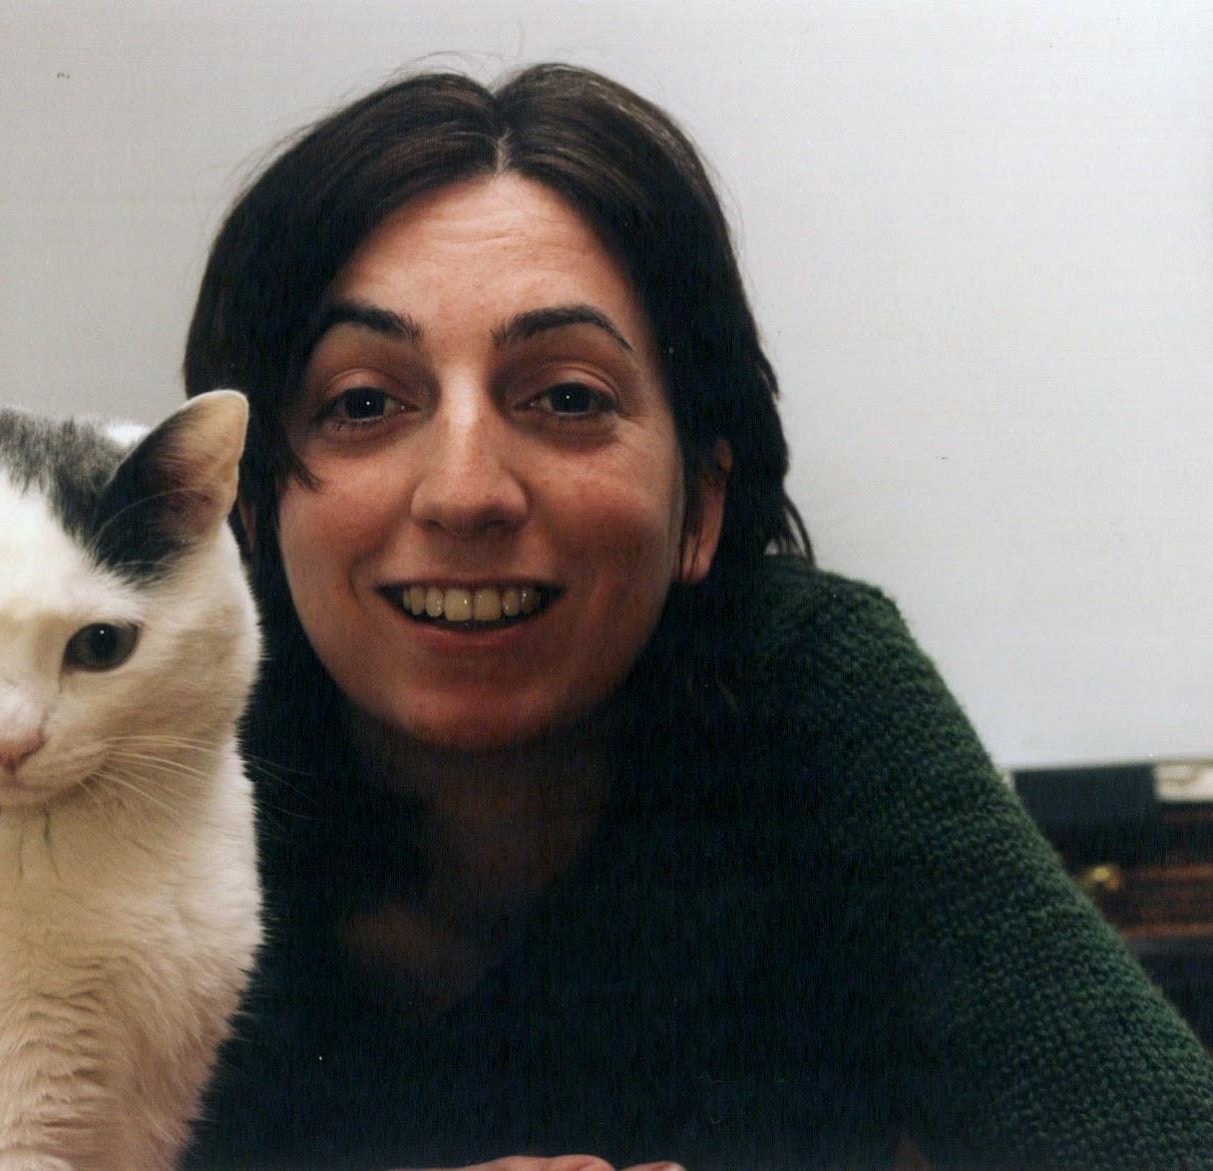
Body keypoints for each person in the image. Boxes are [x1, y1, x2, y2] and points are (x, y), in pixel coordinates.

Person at [176, 63, 1213, 1171]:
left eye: (567, 397)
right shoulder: (139, 738)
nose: (465, 492)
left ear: (702, 506)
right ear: (252, 502)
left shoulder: (805, 685)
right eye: (363, 403)